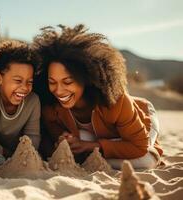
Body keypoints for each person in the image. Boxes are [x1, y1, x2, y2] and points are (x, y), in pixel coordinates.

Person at [33, 24, 163, 169]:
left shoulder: (116, 100)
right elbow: (55, 135)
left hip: (143, 115)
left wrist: (91, 146)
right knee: (83, 142)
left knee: (145, 160)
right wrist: (64, 139)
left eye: (68, 82)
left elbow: (138, 147)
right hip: (98, 136)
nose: (59, 90)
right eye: (52, 82)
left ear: (87, 77)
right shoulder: (50, 106)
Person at [0, 40, 41, 166]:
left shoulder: (33, 101)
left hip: (16, 152)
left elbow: (33, 136)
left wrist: (24, 160)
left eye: (29, 82)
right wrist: (1, 165)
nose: (25, 88)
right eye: (18, 81)